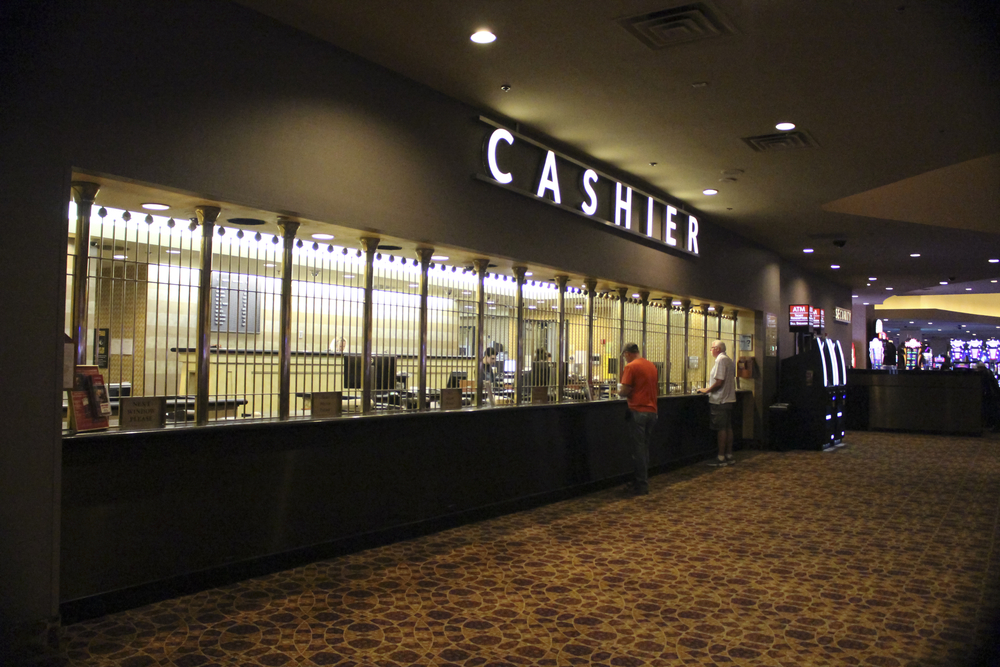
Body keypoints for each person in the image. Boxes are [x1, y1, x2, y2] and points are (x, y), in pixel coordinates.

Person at [617, 342, 658, 496]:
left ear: (627, 353)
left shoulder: (631, 367)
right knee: (644, 448)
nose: (625, 359)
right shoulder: (651, 365)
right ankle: (641, 480)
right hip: (652, 411)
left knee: (638, 450)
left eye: (624, 356)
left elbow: (626, 390)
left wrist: (618, 392)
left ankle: (641, 484)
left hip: (638, 410)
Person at [699, 339, 737, 467]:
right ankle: (729, 455)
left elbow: (719, 381)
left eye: (712, 347)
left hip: (720, 400)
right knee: (728, 427)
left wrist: (707, 390)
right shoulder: (729, 360)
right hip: (729, 399)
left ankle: (720, 457)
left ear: (717, 349)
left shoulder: (720, 360)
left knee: (721, 428)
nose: (710, 350)